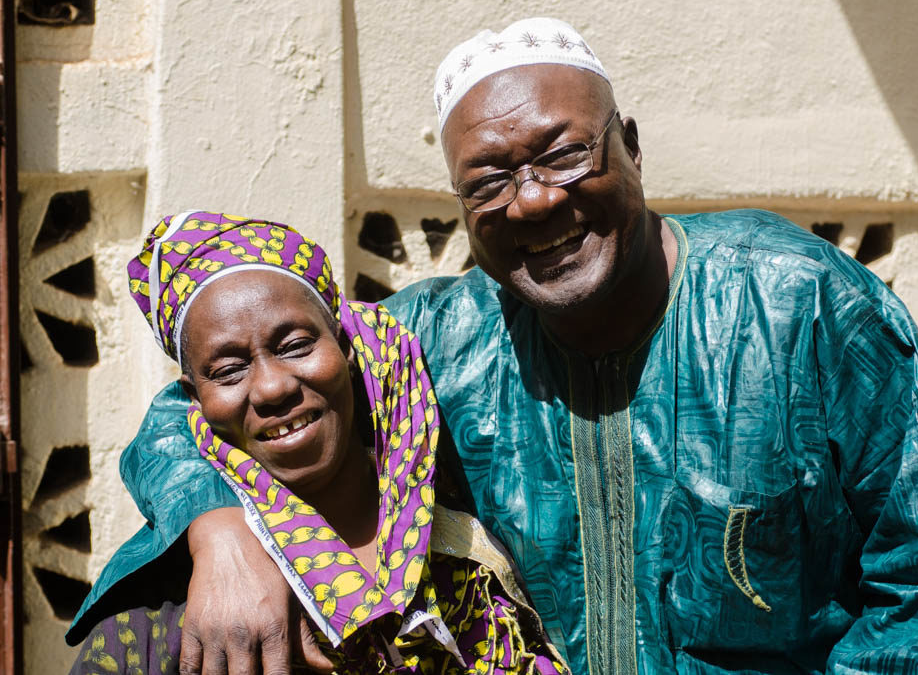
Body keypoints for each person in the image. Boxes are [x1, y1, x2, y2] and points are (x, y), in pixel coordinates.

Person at [68, 18, 918, 675]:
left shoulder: (800, 305)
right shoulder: (439, 342)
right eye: (490, 181)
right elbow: (216, 400)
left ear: (632, 148)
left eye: (566, 155)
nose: (532, 200)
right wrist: (220, 531)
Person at [68, 211, 568, 674]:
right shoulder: (161, 627)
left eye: (296, 346)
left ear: (350, 348)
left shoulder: (474, 537)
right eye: (228, 371)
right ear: (194, 403)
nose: (272, 387)